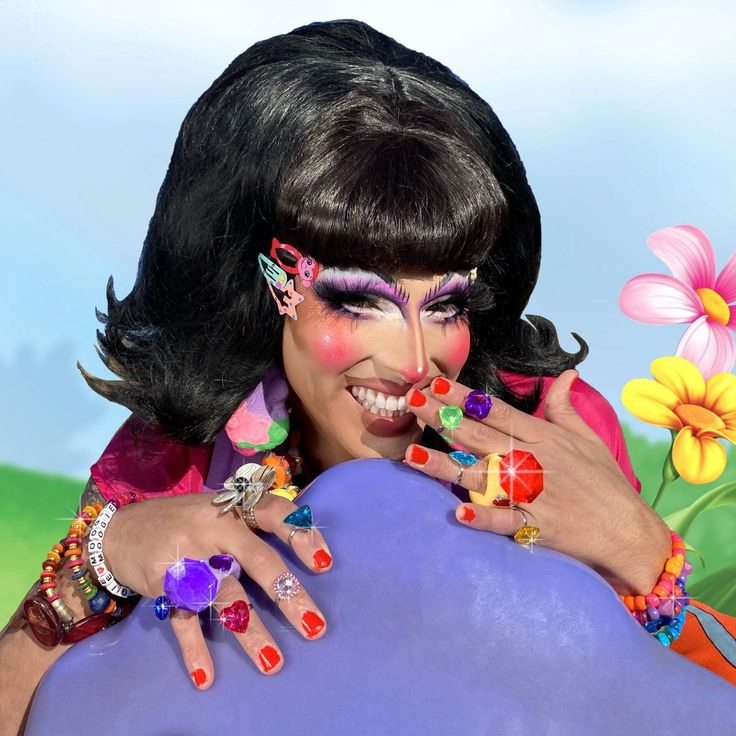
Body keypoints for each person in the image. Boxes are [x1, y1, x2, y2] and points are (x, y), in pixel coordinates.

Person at [2, 17, 734, 734]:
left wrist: (640, 550)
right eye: (357, 300)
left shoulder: (542, 432)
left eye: (446, 303)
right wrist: (103, 560)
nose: (414, 361)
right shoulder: (179, 452)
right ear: (263, 287)